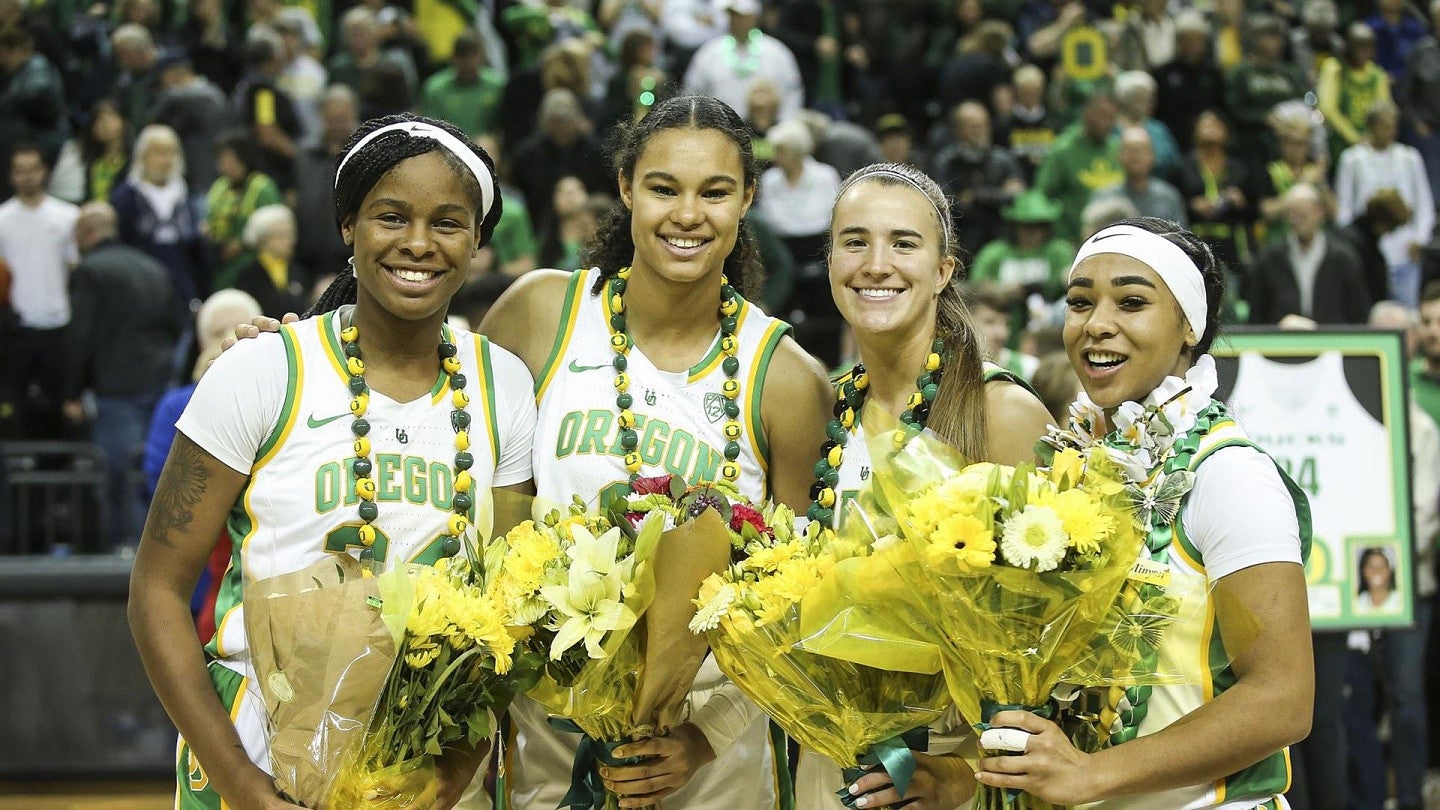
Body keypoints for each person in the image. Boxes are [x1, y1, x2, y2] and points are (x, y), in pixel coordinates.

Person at [237, 94, 833, 810]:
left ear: (747, 201)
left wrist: (703, 738)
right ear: (625, 189)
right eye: (663, 188)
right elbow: (426, 380)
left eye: (715, 192)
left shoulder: (789, 378)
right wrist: (300, 352)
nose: (686, 215)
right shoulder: (543, 312)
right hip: (543, 755)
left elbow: (790, 608)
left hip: (713, 770)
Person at [129, 113, 532, 810]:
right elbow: (156, 591)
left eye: (447, 222)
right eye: (391, 216)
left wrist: (454, 772)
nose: (417, 243)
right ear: (349, 225)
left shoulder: (505, 383)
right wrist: (242, 784)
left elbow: (513, 604)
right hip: (259, 754)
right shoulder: (259, 371)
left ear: (477, 242)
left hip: (438, 764)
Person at [968, 217, 1313, 809]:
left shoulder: (1227, 472)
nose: (1097, 324)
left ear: (1188, 327)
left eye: (1131, 302)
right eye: (1079, 303)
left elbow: (1282, 698)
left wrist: (1093, 775)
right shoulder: (1075, 463)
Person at [795, 163, 1055, 809]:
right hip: (830, 769)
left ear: (944, 269)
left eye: (903, 243)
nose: (876, 264)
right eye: (854, 242)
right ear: (830, 262)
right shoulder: (819, 411)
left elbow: (1061, 647)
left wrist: (963, 775)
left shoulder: (1004, 413)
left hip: (966, 779)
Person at [62, 201, 182, 550]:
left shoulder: (90, 270)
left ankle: (129, 553)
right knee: (152, 472)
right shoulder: (153, 266)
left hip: (116, 389)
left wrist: (71, 392)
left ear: (87, 232)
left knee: (119, 476)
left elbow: (80, 335)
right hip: (160, 383)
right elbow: (176, 326)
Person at [0, 146, 79, 440]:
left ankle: (57, 471)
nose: (27, 177)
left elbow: (75, 267)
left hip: (59, 321)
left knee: (56, 402)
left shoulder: (67, 216)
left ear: (44, 172)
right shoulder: (3, 219)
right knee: (15, 402)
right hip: (16, 324)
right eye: (21, 170)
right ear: (11, 175)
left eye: (33, 169)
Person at [110, 124, 208, 310]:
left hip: (181, 280)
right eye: (159, 153)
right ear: (143, 156)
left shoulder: (188, 196)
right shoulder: (125, 198)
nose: (165, 160)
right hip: (140, 280)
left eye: (171, 153)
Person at [1246, 183, 1371, 326]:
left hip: (1333, 341)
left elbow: (1359, 314)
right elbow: (1257, 316)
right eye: (1292, 214)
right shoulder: (1268, 259)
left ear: (1319, 213)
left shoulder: (1343, 258)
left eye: (1302, 214)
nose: (1296, 221)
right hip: (1283, 342)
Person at [757, 117, 842, 269]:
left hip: (819, 250)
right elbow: (768, 218)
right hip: (782, 251)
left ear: (796, 151)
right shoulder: (770, 179)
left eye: (781, 151)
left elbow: (834, 215)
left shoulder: (825, 176)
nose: (775, 157)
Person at [969, 190, 1073, 302]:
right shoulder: (994, 252)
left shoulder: (1059, 251)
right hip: (1003, 312)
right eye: (1025, 226)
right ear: (1014, 226)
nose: (1031, 232)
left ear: (1046, 227)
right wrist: (999, 290)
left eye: (1037, 226)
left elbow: (1070, 279)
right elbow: (975, 286)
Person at [1092, 126, 1187, 226]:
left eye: (1141, 151)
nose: (1136, 157)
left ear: (1152, 156)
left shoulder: (1169, 197)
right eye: (1130, 151)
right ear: (1119, 156)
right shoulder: (1104, 197)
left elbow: (1182, 238)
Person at [230, 203, 307, 317]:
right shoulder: (247, 275)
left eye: (291, 234)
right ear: (263, 239)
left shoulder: (298, 271)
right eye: (282, 235)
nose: (290, 241)